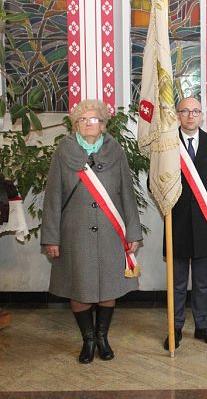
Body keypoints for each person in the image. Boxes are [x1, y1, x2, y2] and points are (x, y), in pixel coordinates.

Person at [41, 99, 143, 363]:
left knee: (108, 288)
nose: (89, 123)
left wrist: (132, 232)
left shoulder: (116, 151)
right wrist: (51, 237)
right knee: (80, 288)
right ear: (75, 124)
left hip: (111, 232)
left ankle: (102, 338)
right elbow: (52, 197)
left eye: (94, 119)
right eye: (83, 120)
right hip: (74, 234)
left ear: (103, 124)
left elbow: (127, 195)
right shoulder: (63, 152)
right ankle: (87, 340)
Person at [161, 97, 207, 350]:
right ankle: (176, 327)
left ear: (202, 115)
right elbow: (153, 182)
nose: (190, 116)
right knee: (178, 283)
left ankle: (202, 326)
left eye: (195, 111)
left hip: (206, 226)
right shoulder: (166, 144)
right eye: (185, 111)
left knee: (202, 283)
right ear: (178, 115)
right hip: (176, 226)